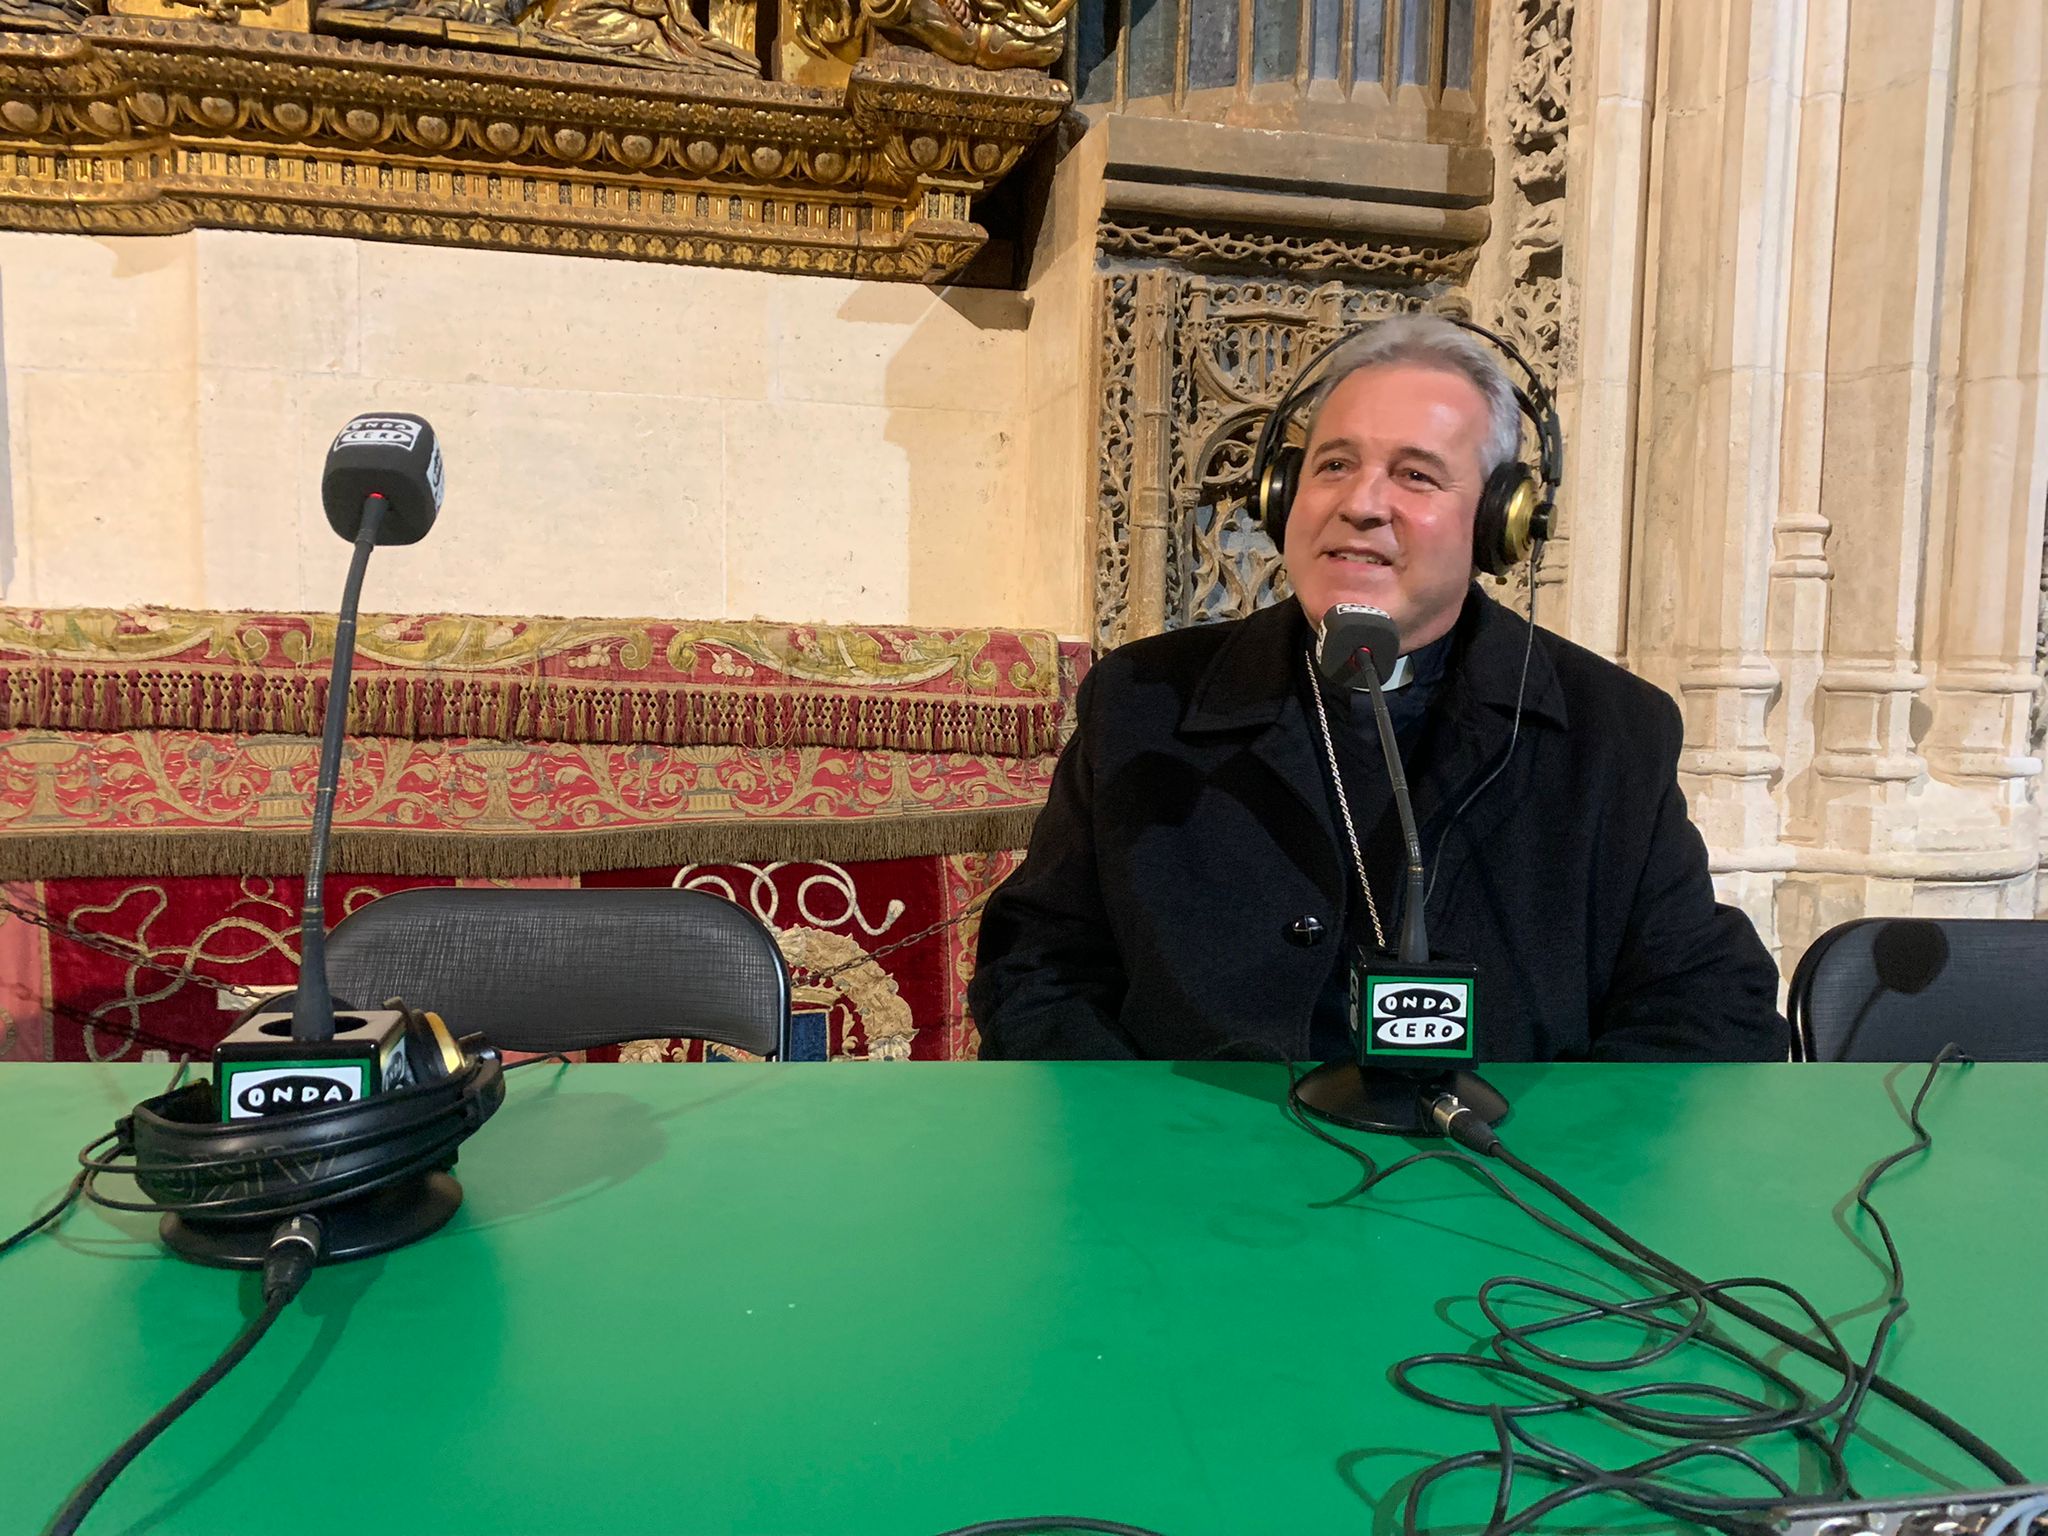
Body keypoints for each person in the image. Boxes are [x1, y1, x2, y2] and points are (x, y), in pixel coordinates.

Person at [969, 314, 1785, 1063]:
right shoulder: (1144, 700)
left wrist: (1546, 1157)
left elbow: (1710, 1006)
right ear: (1282, 494)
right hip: (1206, 1189)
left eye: (1417, 477)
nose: (1361, 504)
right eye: (1333, 465)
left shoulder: (1612, 729)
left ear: (1503, 521)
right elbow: (1036, 968)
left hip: (1486, 1194)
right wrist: (1159, 1150)